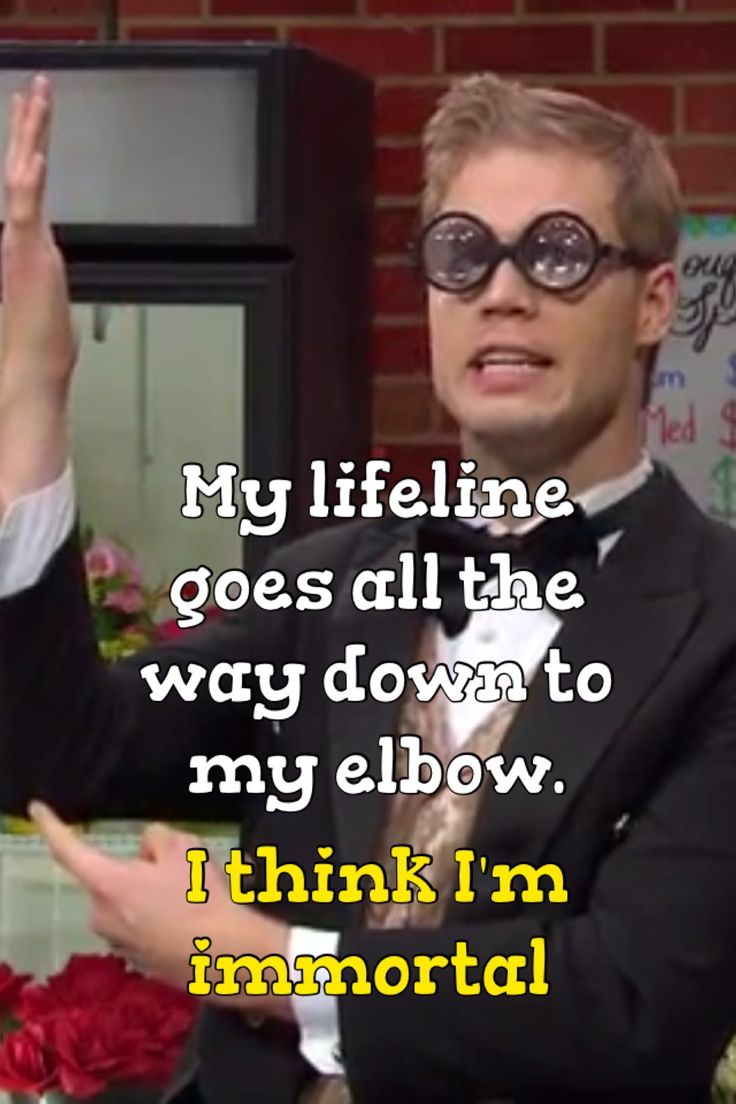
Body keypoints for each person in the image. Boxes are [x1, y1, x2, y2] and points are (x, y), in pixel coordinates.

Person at [0, 67, 735, 1104]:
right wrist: (33, 393)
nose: (502, 291)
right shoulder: (324, 583)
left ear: (653, 301)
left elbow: (629, 1005)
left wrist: (261, 962)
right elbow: (66, 750)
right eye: (463, 252)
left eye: (559, 253)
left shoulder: (719, 619)